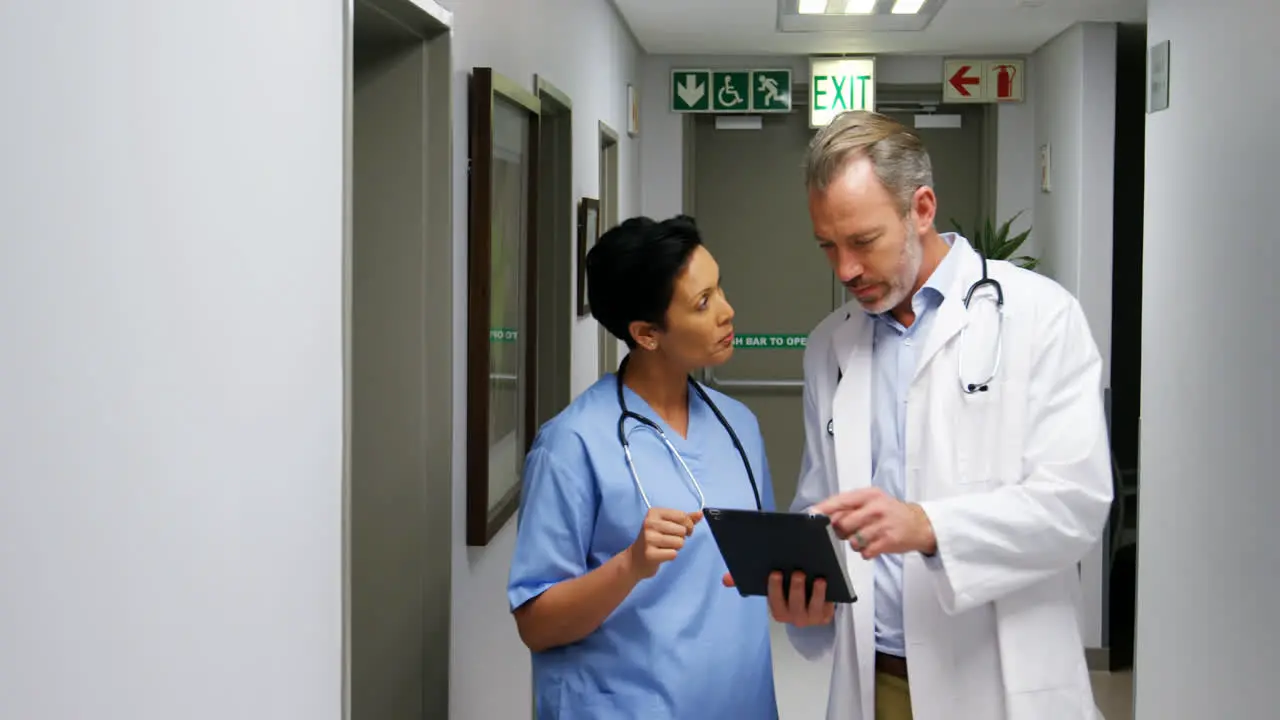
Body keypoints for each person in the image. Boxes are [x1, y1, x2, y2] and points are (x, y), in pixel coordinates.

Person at [753, 110, 1115, 719]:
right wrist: (802, 587)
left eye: (863, 242)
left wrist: (929, 526)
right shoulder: (829, 346)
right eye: (828, 246)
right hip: (879, 676)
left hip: (997, 673)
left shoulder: (1040, 316)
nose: (844, 269)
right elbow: (821, 501)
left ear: (921, 209)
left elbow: (1074, 503)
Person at [506, 214, 780, 720]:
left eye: (719, 289)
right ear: (647, 333)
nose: (727, 311)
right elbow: (536, 624)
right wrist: (630, 566)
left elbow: (763, 573)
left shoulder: (738, 428)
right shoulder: (573, 445)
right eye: (703, 303)